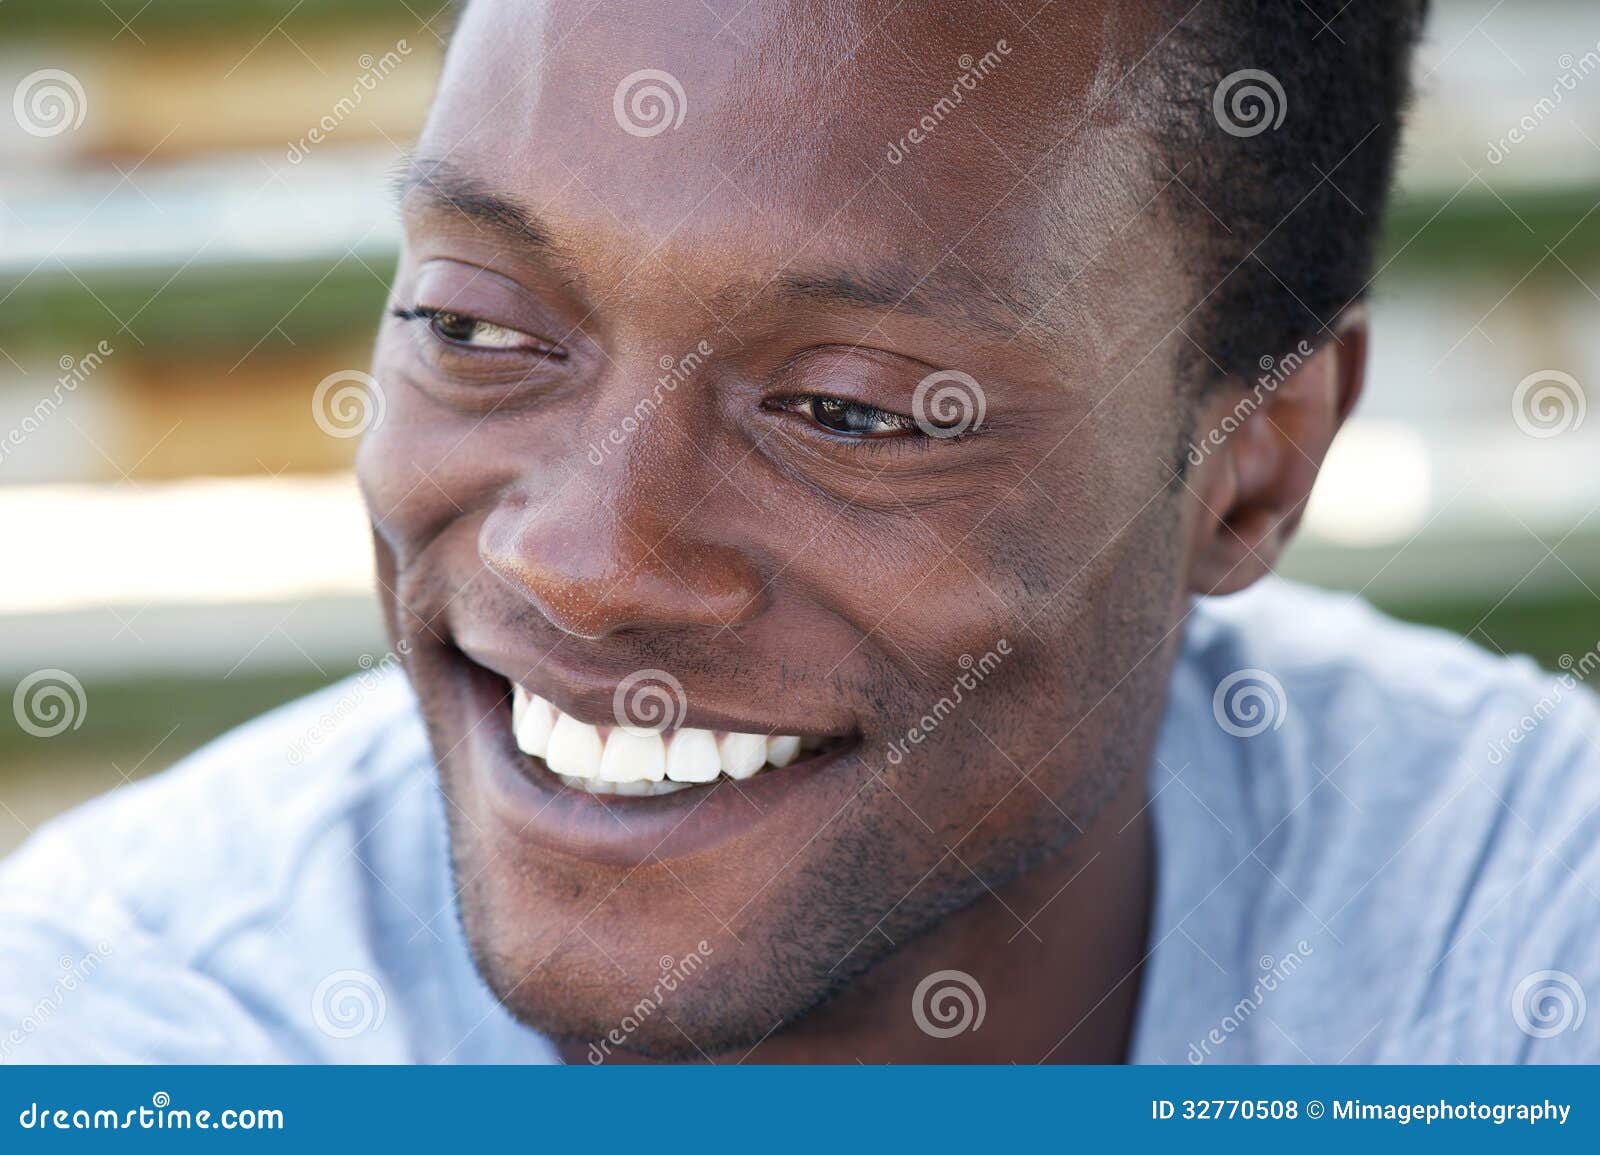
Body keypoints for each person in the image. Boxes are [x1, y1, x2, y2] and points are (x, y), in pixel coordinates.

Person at [5, 0, 1597, 1065]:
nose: (582, 561)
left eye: (849, 409)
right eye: (479, 328)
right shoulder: (148, 1020)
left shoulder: (1519, 950)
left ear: (1254, 467)